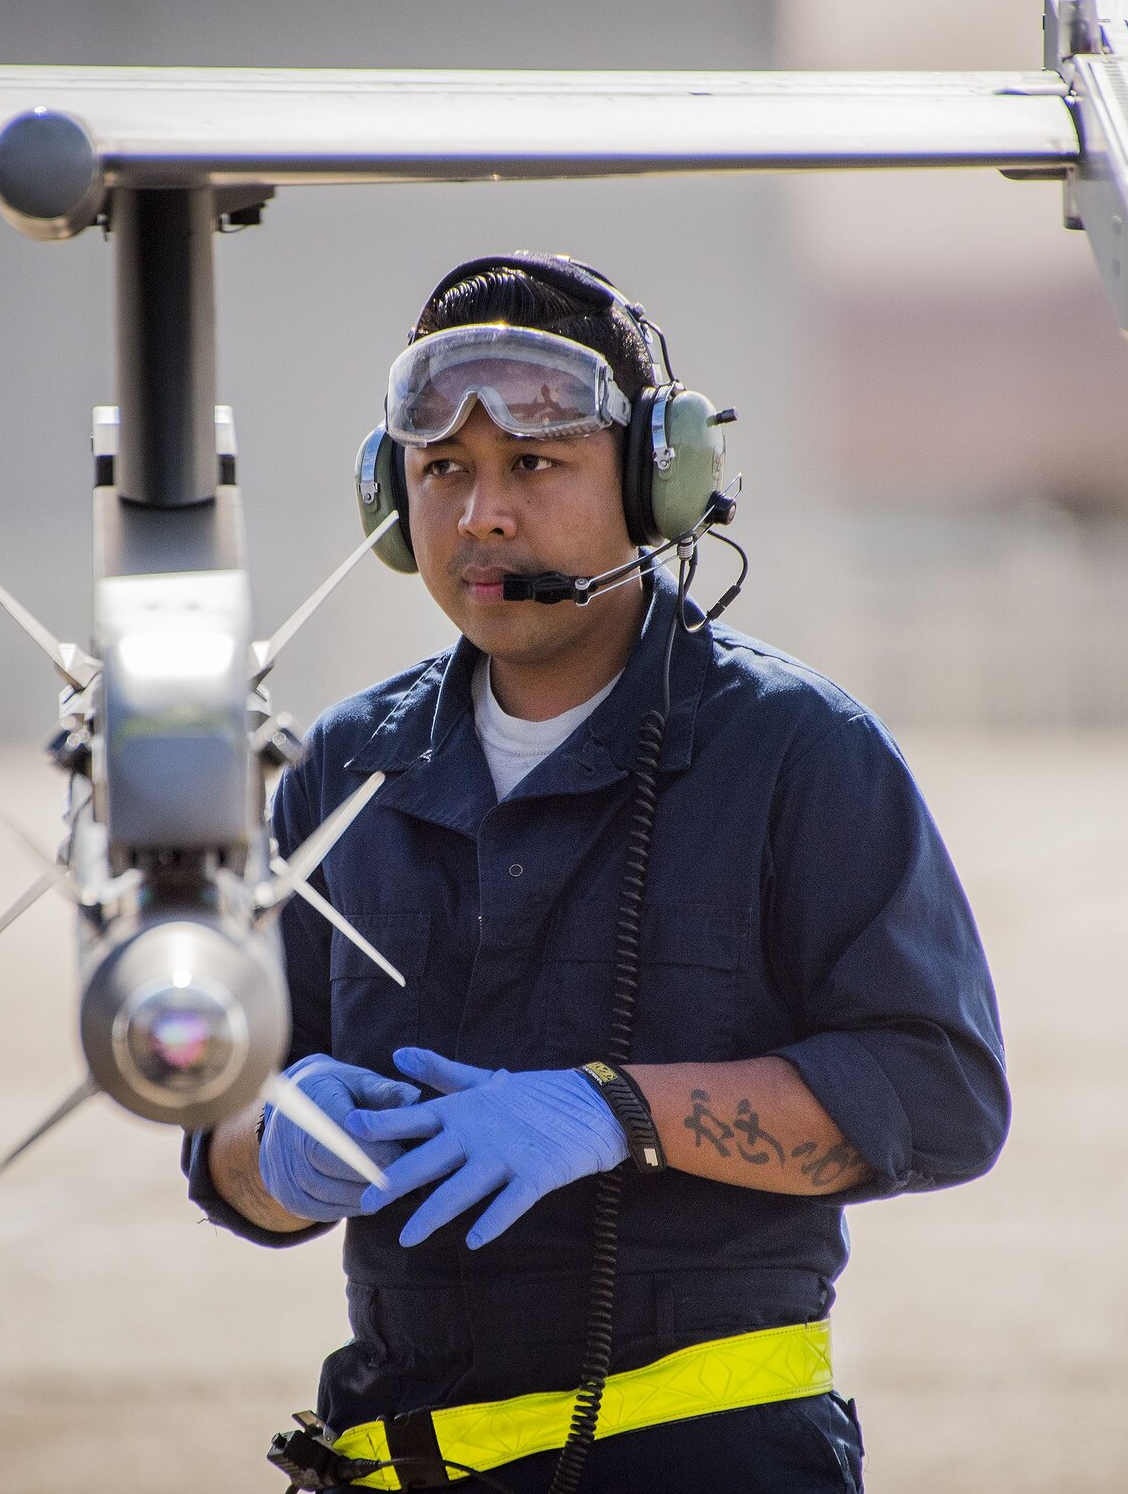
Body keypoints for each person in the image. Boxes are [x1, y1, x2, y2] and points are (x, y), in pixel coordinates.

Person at [182, 254, 1009, 1493]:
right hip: (390, 1457)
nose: (482, 517)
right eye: (443, 470)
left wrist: (615, 1112)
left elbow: (939, 1095)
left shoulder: (796, 752)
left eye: (535, 464)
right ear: (391, 501)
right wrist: (275, 1144)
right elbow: (226, 1140)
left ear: (654, 485)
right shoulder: (344, 768)